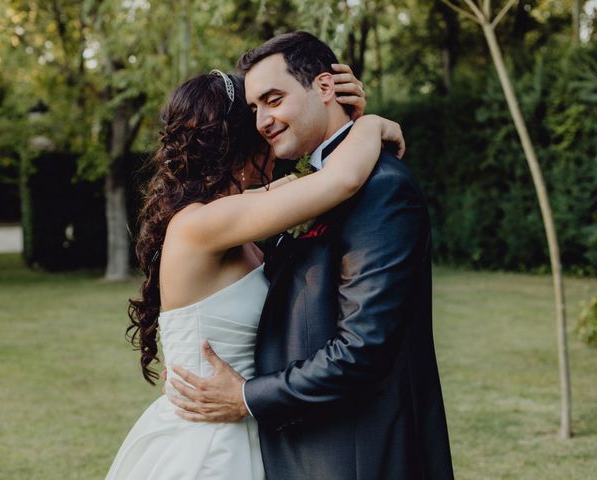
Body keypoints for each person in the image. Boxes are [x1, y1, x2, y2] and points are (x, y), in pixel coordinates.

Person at [169, 31, 454, 479]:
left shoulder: (381, 187)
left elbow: (361, 348)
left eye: (273, 99)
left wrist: (246, 396)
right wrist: (370, 123)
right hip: (281, 447)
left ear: (324, 88)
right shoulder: (293, 195)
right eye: (254, 109)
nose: (263, 121)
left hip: (357, 456)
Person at [105, 64, 405, 479]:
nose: (271, 127)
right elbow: (342, 180)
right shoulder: (203, 224)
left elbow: (317, 179)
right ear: (242, 141)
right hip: (210, 447)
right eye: (260, 119)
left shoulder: (233, 212)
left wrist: (341, 117)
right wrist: (371, 125)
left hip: (248, 424)